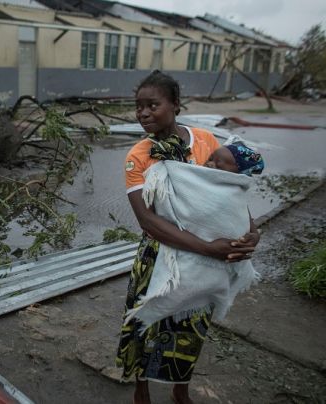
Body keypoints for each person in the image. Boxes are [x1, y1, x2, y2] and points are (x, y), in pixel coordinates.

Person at [115, 71, 260, 404]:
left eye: (153, 104)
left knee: (191, 327)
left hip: (205, 261)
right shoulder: (139, 156)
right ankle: (142, 387)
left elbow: (231, 195)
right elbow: (147, 220)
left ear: (175, 105)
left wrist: (251, 233)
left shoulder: (206, 142)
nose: (144, 113)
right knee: (147, 324)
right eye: (138, 107)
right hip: (159, 256)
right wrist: (209, 248)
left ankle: (180, 390)